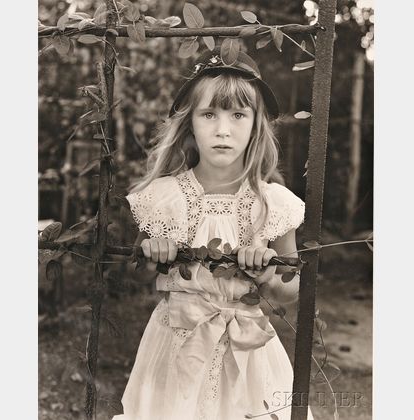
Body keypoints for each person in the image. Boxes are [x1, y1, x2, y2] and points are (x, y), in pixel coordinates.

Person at [113, 47, 313, 420]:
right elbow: (130, 272)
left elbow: (292, 291)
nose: (223, 130)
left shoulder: (272, 203)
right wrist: (153, 252)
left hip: (248, 350)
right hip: (176, 343)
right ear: (190, 123)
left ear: (256, 124)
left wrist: (269, 272)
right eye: (209, 114)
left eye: (238, 115)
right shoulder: (164, 198)